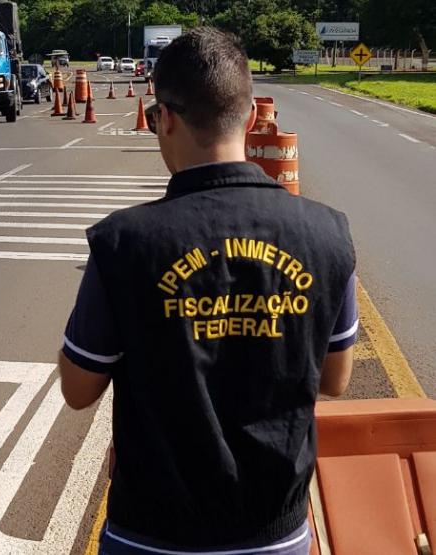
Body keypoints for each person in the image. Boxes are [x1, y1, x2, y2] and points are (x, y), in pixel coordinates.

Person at [58, 27, 357, 554]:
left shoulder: (125, 243)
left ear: (165, 118)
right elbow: (335, 379)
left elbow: (79, 390)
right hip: (276, 533)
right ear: (250, 117)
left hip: (151, 535)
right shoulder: (327, 234)